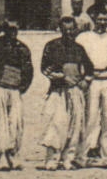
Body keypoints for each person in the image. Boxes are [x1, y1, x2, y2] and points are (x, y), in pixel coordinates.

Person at [36, 16, 94, 170]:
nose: (68, 33)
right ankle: (52, 159)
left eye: (71, 30)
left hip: (75, 92)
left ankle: (69, 158)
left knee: (75, 126)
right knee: (56, 124)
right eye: (65, 30)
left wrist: (84, 82)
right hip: (58, 92)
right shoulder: (52, 46)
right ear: (59, 30)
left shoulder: (79, 48)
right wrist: (59, 77)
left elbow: (89, 69)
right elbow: (44, 67)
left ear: (75, 30)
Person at [74, 4, 107, 168]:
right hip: (91, 81)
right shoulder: (84, 38)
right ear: (94, 20)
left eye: (105, 20)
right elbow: (77, 59)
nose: (102, 23)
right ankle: (80, 157)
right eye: (99, 20)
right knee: (89, 119)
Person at [0, 19, 33, 170]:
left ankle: (13, 154)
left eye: (15, 29)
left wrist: (21, 87)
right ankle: (0, 156)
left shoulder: (22, 48)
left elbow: (28, 70)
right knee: (0, 123)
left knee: (15, 123)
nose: (12, 32)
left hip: (15, 89)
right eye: (9, 29)